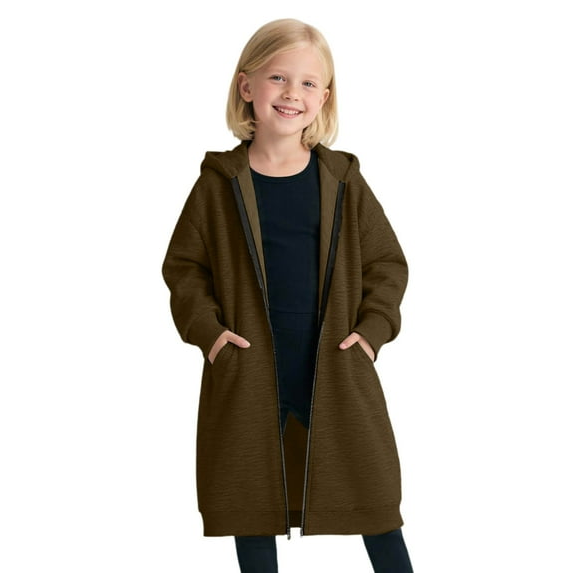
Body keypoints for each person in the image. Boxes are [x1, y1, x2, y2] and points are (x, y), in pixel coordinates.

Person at [162, 18, 414, 572]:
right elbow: (184, 268)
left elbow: (387, 264)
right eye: (278, 77)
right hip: (249, 366)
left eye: (307, 82)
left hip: (336, 362)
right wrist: (211, 336)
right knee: (252, 503)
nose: (291, 92)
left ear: (324, 97)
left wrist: (370, 334)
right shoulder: (218, 184)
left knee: (374, 500)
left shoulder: (342, 180)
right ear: (246, 85)